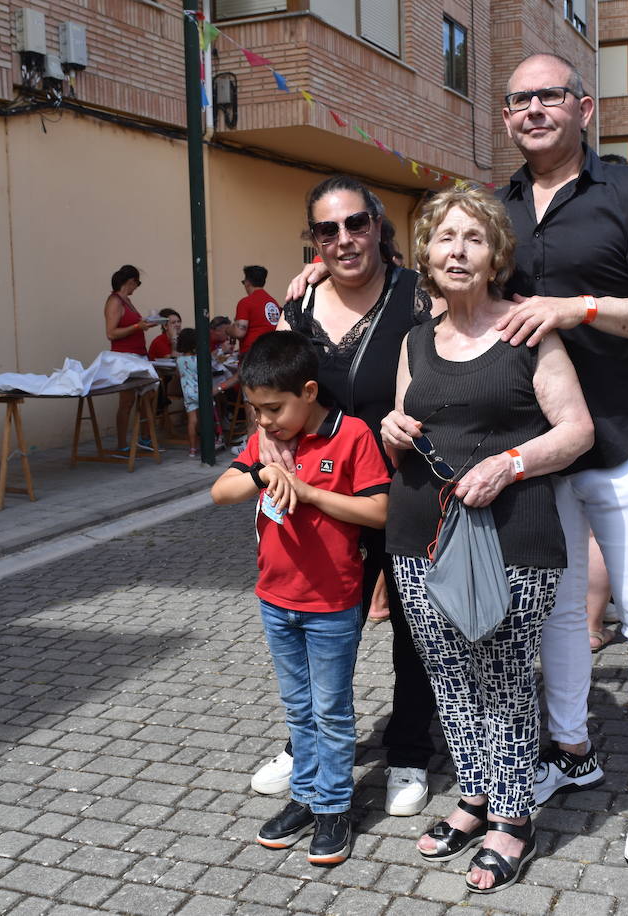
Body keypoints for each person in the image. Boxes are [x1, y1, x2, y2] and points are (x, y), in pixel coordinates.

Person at [492, 52, 628, 870]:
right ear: (505, 115)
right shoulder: (496, 204)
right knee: (562, 612)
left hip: (616, 436)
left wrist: (579, 306)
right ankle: (571, 751)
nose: (533, 109)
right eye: (518, 99)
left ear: (583, 108)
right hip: (538, 444)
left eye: (548, 96)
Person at [381, 186, 594, 893]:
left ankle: (513, 816)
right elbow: (407, 417)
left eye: (473, 238)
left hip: (512, 536)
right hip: (420, 534)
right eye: (444, 239)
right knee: (448, 675)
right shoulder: (417, 340)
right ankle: (474, 797)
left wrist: (508, 464)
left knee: (501, 680)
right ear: (426, 255)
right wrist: (392, 429)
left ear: (497, 253)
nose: (458, 251)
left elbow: (575, 431)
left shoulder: (527, 332)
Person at [262, 174, 440, 819]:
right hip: (320, 495)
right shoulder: (300, 306)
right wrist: (272, 453)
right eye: (326, 230)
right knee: (314, 624)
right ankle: (304, 745)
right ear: (312, 240)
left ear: (379, 225)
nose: (344, 240)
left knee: (414, 631)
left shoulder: (419, 294)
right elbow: (276, 389)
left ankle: (408, 752)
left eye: (356, 223)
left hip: (405, 485)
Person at [211, 331, 390, 866]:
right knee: (299, 709)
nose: (263, 420)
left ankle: (335, 806)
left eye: (273, 408)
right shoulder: (266, 443)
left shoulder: (352, 434)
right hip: (275, 599)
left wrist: (310, 493)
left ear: (309, 391)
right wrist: (264, 470)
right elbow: (221, 492)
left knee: (330, 710)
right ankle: (307, 798)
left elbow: (380, 512)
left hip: (333, 603)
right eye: (254, 409)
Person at [104, 265, 158, 453]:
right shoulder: (115, 301)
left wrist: (141, 325)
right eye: (137, 283)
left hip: (138, 354)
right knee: (126, 401)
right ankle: (121, 444)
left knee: (148, 395)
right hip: (124, 357)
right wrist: (137, 327)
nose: (137, 287)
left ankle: (143, 437)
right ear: (130, 282)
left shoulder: (127, 301)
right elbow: (111, 333)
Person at [175, 328, 234, 457]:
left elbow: (180, 375)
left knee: (192, 420)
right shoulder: (199, 359)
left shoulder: (179, 360)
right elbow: (210, 364)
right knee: (210, 417)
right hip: (202, 391)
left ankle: (192, 449)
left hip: (188, 392)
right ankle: (212, 441)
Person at [233, 266, 281, 354]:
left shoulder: (245, 302)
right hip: (272, 353)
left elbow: (239, 332)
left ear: (247, 282)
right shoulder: (274, 303)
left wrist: (228, 330)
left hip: (252, 355)